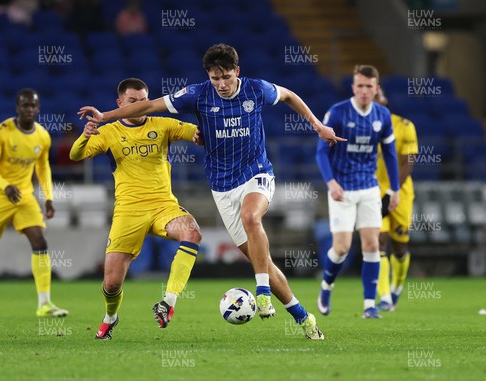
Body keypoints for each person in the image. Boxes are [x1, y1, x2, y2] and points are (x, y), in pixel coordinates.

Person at [78, 44, 345, 340]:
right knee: (263, 262)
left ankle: (262, 293)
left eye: (227, 78)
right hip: (222, 186)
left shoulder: (257, 90)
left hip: (257, 173)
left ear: (237, 72)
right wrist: (105, 116)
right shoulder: (197, 94)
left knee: (251, 218)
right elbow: (147, 106)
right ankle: (303, 318)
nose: (221, 84)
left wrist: (318, 125)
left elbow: (290, 95)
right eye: (215, 78)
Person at [70, 78, 202, 339]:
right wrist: (84, 137)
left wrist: (202, 134)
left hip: (163, 205)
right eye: (133, 101)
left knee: (193, 232)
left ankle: (169, 302)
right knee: (111, 284)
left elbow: (194, 133)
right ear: (120, 103)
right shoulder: (107, 132)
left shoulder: (163, 125)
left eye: (144, 101)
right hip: (128, 210)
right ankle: (111, 316)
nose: (140, 106)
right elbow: (76, 156)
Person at [0, 89, 68, 319]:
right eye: (24, 105)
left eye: (33, 106)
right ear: (17, 108)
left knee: (40, 241)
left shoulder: (42, 136)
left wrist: (49, 197)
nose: (29, 109)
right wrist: (5, 186)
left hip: (24, 197)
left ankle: (45, 303)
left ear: (38, 109)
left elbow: (43, 167)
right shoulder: (2, 132)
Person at [315, 65, 400, 319]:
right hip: (342, 189)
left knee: (372, 244)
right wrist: (330, 182)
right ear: (354, 88)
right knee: (341, 248)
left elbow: (391, 154)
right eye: (360, 86)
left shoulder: (383, 116)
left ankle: (369, 305)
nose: (364, 91)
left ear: (376, 89)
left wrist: (394, 188)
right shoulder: (338, 113)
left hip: (369, 188)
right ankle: (326, 286)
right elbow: (321, 152)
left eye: (369, 86)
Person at [374, 89, 418, 312]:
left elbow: (407, 162)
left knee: (400, 246)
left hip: (400, 192)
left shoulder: (405, 126)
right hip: (373, 192)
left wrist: (392, 190)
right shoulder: (360, 128)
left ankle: (396, 287)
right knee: (379, 241)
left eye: (379, 93)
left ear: (385, 99)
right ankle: (385, 298)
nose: (375, 96)